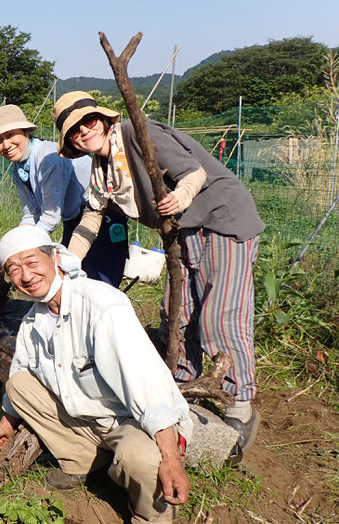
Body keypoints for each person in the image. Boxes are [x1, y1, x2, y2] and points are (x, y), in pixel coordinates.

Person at [54, 91, 265, 456]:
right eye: (74, 130)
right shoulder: (101, 167)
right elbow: (92, 218)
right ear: (70, 140)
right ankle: (185, 386)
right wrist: (67, 263)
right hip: (181, 234)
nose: (85, 131)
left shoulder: (137, 133)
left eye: (89, 121)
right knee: (175, 313)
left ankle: (240, 404)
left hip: (221, 219)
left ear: (102, 119)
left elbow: (193, 172)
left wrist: (181, 197)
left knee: (219, 314)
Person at [0, 226, 192, 524]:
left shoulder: (101, 306)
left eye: (31, 263)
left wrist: (170, 456)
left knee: (143, 461)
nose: (25, 276)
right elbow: (21, 370)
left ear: (55, 257)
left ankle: (149, 517)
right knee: (19, 384)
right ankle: (83, 459)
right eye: (13, 269)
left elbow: (147, 384)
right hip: (87, 418)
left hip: (132, 421)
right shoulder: (34, 320)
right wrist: (6, 423)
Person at [0, 104, 128, 287]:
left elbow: (51, 216)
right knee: (71, 281)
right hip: (73, 220)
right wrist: (12, 241)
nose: (6, 145)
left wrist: (22, 248)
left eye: (11, 135)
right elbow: (31, 213)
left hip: (102, 217)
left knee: (99, 284)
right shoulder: (18, 169)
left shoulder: (49, 157)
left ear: (26, 132)